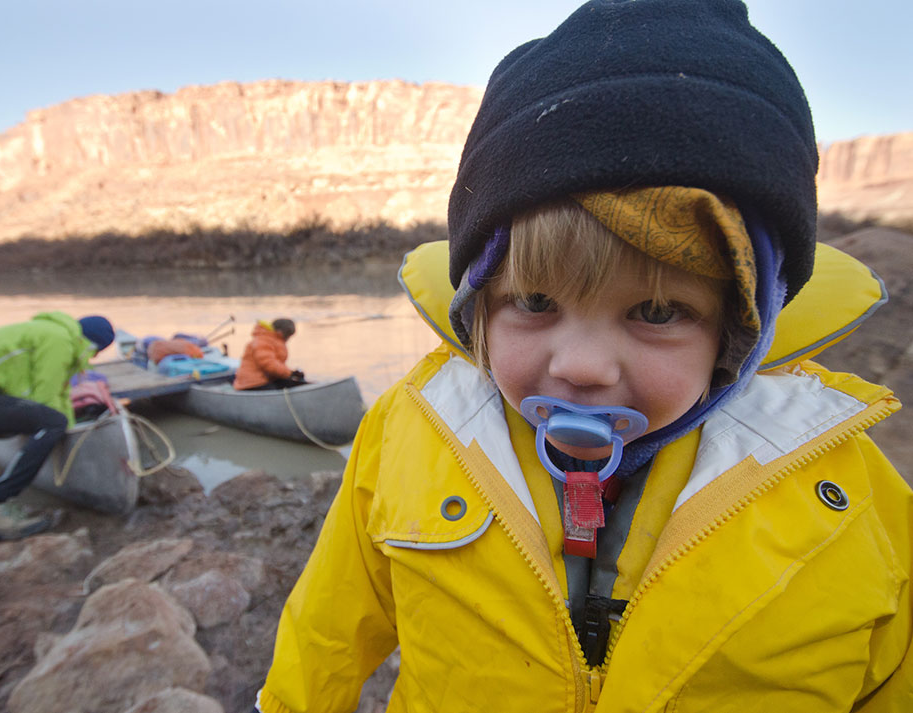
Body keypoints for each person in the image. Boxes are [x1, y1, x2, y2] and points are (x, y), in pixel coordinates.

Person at [255, 2, 911, 711]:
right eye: (534, 302)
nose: (582, 366)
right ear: (479, 299)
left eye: (658, 311)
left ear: (740, 329)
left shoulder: (855, 497)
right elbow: (325, 627)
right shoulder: (406, 431)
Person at [0, 312, 115, 545]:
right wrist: (57, 432)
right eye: (96, 352)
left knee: (52, 421)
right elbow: (45, 395)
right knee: (51, 423)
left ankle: (7, 482)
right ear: (92, 344)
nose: (92, 358)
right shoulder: (58, 341)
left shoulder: (58, 335)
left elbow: (60, 393)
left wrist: (71, 433)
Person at [232, 318, 305, 390]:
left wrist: (291, 373)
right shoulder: (262, 341)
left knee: (292, 383)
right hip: (252, 383)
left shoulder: (271, 340)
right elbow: (269, 364)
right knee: (281, 389)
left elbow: (277, 364)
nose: (288, 339)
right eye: (288, 335)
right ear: (281, 332)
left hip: (265, 379)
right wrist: (290, 374)